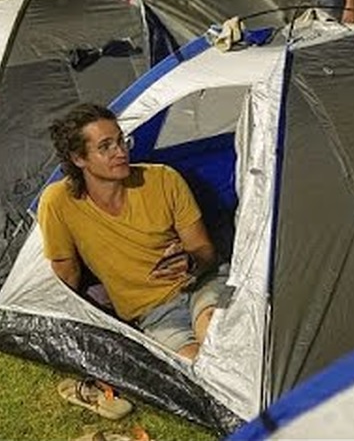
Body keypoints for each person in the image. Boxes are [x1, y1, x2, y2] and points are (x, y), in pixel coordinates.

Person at [37, 103, 227, 361]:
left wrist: (192, 261)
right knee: (201, 369)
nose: (120, 152)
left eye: (121, 141)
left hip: (200, 285)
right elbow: (66, 275)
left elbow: (205, 251)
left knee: (216, 337)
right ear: (78, 158)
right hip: (153, 312)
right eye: (105, 147)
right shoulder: (58, 201)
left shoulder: (163, 179)